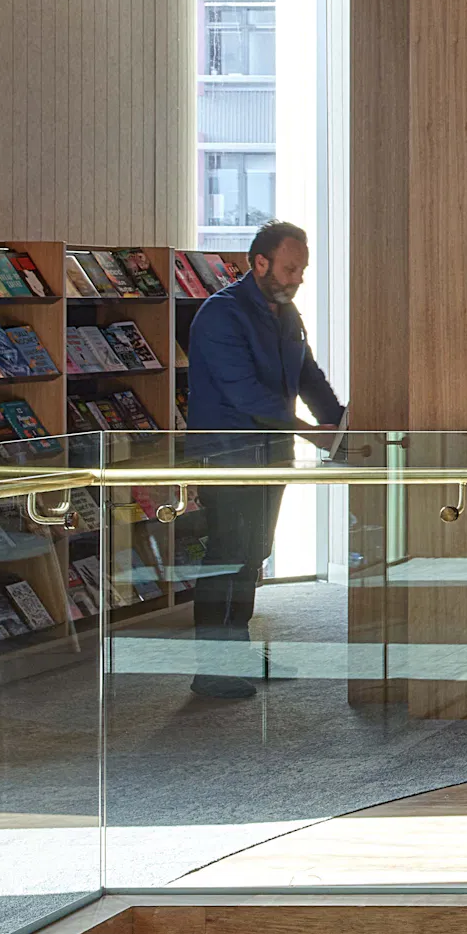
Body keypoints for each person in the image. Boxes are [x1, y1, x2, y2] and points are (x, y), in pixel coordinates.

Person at [181, 220, 345, 689]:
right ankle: (211, 671)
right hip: (227, 458)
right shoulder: (221, 315)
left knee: (254, 554)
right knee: (227, 557)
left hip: (272, 455)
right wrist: (313, 434)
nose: (297, 279)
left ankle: (240, 656)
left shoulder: (285, 314)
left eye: (302, 270)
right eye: (290, 269)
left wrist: (340, 421)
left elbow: (307, 375)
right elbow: (246, 396)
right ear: (260, 263)